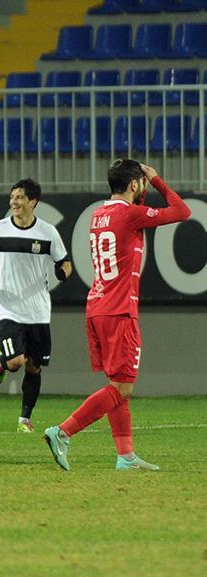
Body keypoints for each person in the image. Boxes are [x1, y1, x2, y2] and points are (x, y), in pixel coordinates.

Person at [44, 160, 191, 471]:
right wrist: (157, 180)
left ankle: (125, 455)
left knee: (117, 385)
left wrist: (141, 188)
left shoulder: (99, 215)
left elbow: (133, 219)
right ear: (135, 185)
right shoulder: (130, 214)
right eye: (141, 183)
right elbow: (182, 211)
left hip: (98, 306)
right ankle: (63, 432)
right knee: (122, 388)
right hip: (119, 309)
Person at [0, 179, 72, 432]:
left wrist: (63, 273)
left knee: (34, 366)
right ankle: (2, 360)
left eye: (20, 197)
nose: (14, 202)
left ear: (33, 202)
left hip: (38, 311)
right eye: (12, 197)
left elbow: (65, 263)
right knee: (16, 362)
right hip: (7, 308)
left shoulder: (48, 233)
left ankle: (24, 420)